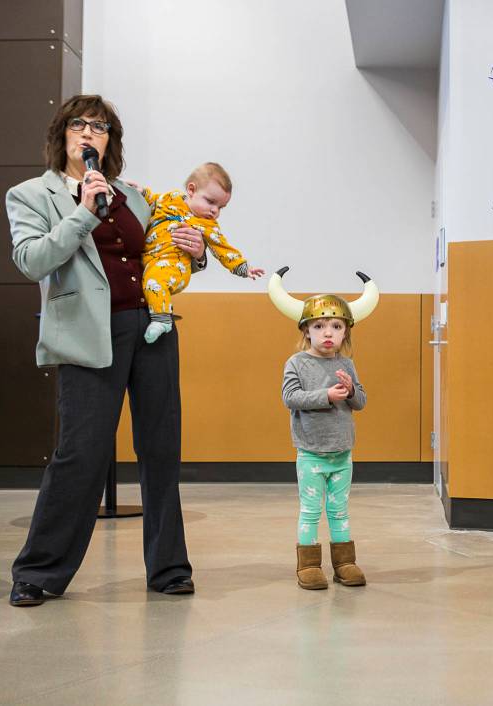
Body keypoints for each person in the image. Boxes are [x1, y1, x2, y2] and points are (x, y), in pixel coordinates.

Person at [5, 94, 205, 606]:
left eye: (101, 127)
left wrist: (195, 253)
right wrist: (82, 213)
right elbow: (32, 261)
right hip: (87, 334)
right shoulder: (31, 194)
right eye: (79, 124)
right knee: (81, 454)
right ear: (62, 135)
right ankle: (38, 572)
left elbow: (155, 251)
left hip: (152, 329)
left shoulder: (132, 196)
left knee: (161, 450)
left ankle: (169, 568)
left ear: (109, 142)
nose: (89, 133)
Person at [268, 267, 379, 590]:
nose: (327, 332)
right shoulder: (297, 363)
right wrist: (327, 396)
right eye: (319, 326)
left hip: (342, 453)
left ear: (345, 332)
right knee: (311, 509)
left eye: (336, 326)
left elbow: (361, 402)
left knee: (339, 509)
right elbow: (290, 397)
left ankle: (344, 562)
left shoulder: (346, 364)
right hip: (311, 453)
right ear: (307, 332)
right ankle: (309, 564)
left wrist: (352, 390)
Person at [141, 162, 264, 343]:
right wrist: (141, 192)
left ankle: (162, 320)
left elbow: (224, 250)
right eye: (211, 202)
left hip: (174, 266)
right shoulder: (172, 198)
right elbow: (154, 199)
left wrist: (243, 268)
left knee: (155, 281)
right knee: (149, 279)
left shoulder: (208, 225)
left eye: (221, 207)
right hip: (150, 259)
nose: (215, 211)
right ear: (191, 190)